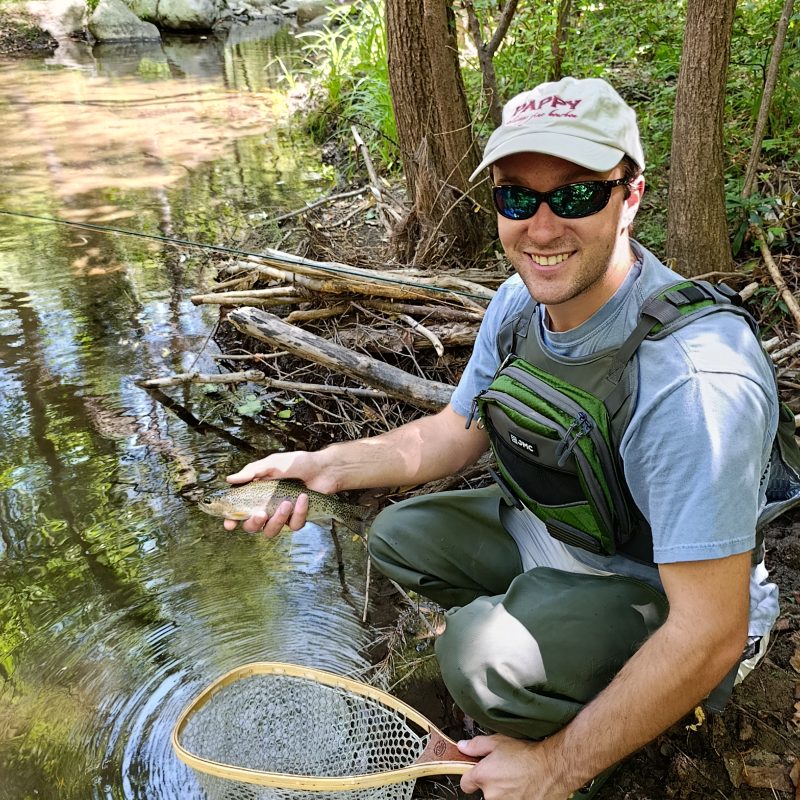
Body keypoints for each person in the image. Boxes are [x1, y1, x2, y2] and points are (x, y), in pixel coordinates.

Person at [222, 77, 784, 800]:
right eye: (517, 198)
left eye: (577, 195)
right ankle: (551, 658)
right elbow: (453, 432)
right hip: (574, 535)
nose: (541, 229)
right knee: (400, 534)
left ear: (632, 197)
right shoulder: (520, 303)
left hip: (673, 594)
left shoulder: (693, 381)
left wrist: (556, 767)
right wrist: (324, 465)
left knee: (476, 656)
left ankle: (584, 717)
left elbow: (710, 628)